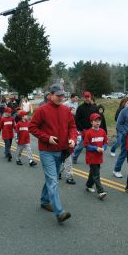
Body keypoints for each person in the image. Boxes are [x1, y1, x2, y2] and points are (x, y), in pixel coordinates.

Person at [29, 83, 77, 223]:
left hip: (61, 151)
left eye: (62, 95)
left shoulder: (66, 110)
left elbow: (72, 127)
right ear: (50, 95)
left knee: (52, 178)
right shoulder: (42, 110)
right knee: (53, 180)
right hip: (47, 151)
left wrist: (72, 139)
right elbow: (32, 127)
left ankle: (45, 201)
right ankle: (59, 212)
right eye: (58, 95)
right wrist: (47, 138)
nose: (61, 98)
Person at [84, 113, 108, 200]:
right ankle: (101, 191)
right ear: (91, 122)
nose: (98, 123)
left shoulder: (102, 131)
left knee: (93, 172)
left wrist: (103, 148)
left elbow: (105, 142)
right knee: (96, 174)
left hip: (99, 156)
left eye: (99, 121)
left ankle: (88, 185)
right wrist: (95, 148)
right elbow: (86, 145)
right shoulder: (88, 132)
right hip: (91, 157)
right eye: (95, 121)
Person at [72, 91, 98, 164]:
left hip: (93, 129)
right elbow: (77, 120)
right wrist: (81, 129)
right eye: (86, 97)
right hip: (84, 130)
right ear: (84, 98)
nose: (87, 99)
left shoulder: (94, 107)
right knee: (82, 145)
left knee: (93, 145)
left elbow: (98, 118)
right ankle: (74, 157)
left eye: (88, 97)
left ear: (90, 97)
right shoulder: (80, 108)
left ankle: (92, 159)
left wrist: (98, 128)